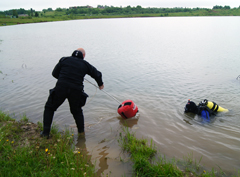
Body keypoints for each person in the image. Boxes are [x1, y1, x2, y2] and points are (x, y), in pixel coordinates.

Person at [41, 48, 104, 138]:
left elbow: (54, 74)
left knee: (49, 108)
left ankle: (45, 133)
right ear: (83, 56)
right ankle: (81, 134)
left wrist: (64, 76)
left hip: (61, 88)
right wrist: (100, 84)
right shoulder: (85, 64)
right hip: (76, 91)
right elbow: (97, 74)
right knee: (77, 111)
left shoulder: (64, 60)